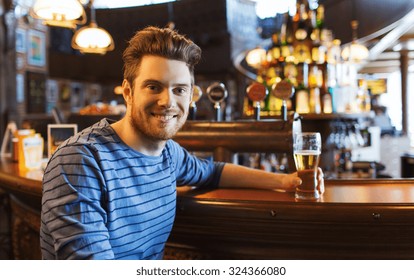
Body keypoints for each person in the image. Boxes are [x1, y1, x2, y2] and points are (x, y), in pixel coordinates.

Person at [40, 26, 324, 260]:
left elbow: (215, 172)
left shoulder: (168, 155)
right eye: (153, 87)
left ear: (189, 98)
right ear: (128, 92)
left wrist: (285, 181)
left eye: (179, 90)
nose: (168, 102)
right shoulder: (80, 160)